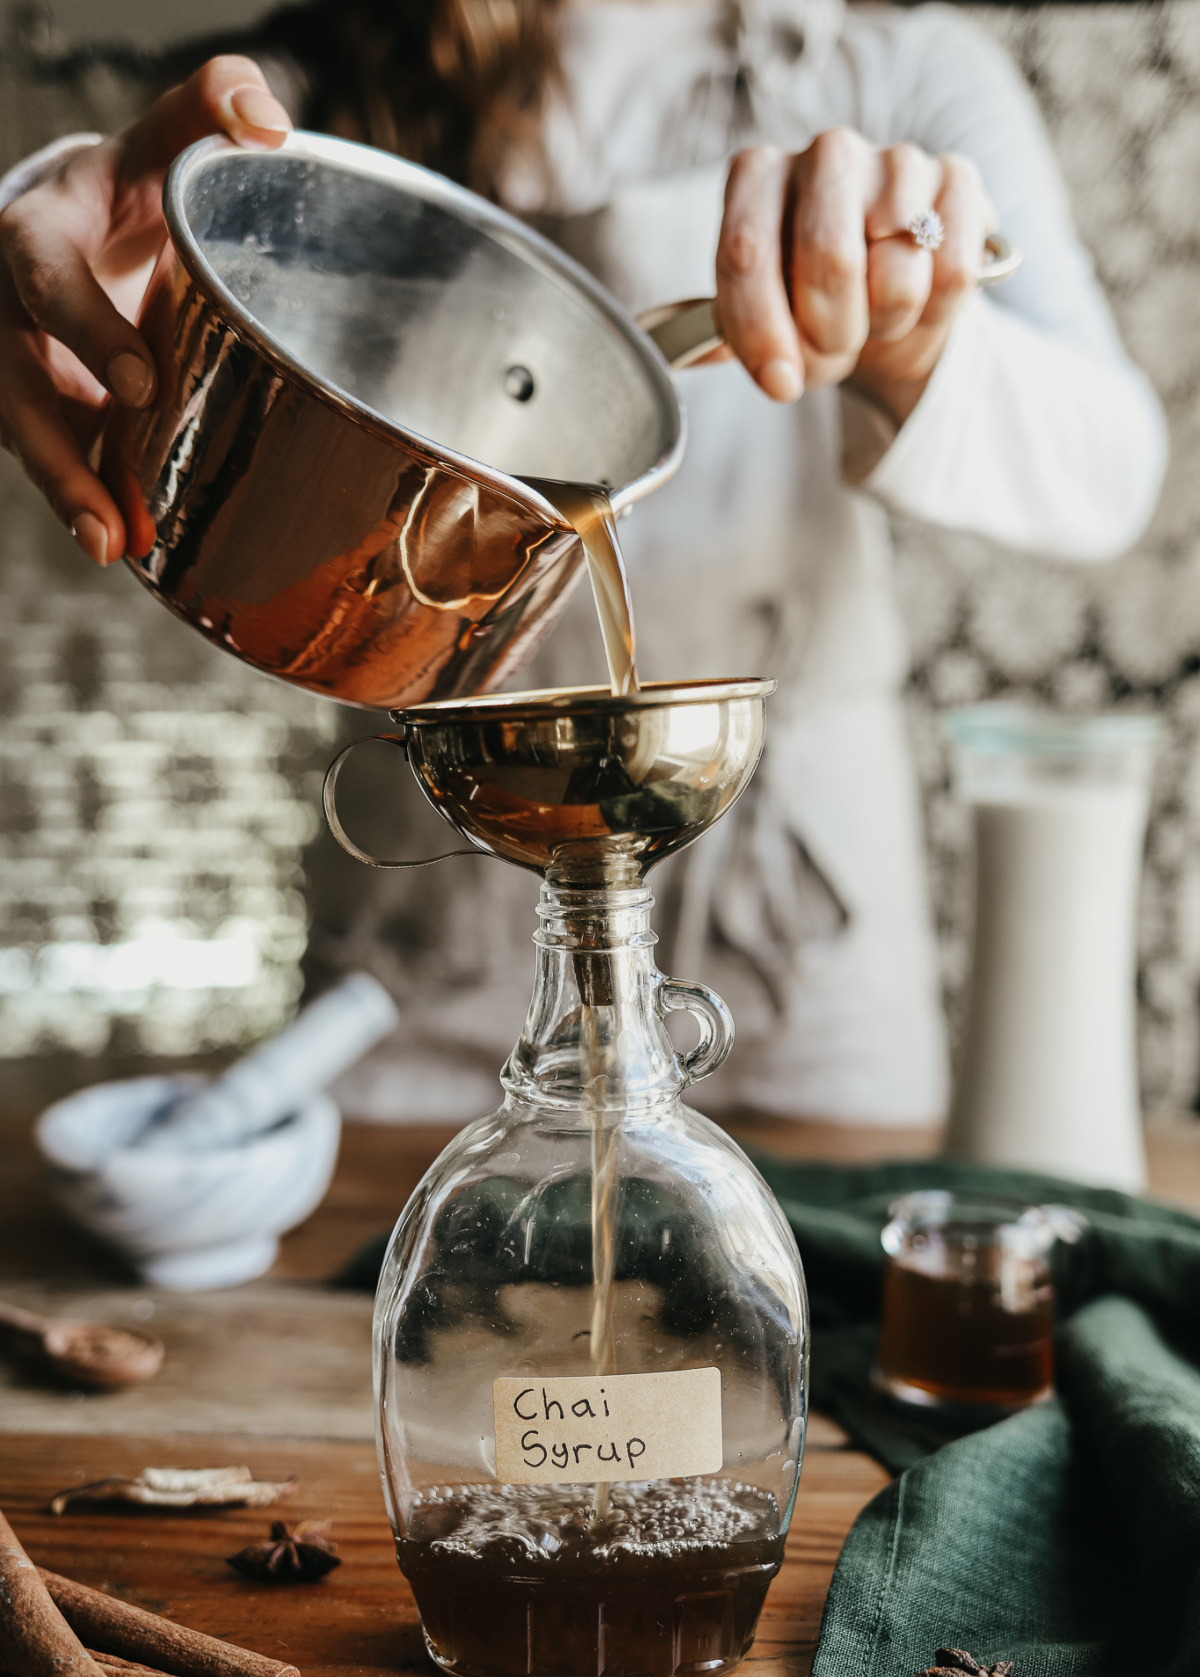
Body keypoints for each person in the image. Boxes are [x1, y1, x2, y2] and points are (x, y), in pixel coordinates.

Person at [0, 0, 1166, 1123]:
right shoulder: (323, 90)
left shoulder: (900, 77)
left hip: (795, 930)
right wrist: (46, 229)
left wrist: (918, 339)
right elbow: (126, 215)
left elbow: (1112, 470)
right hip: (439, 899)